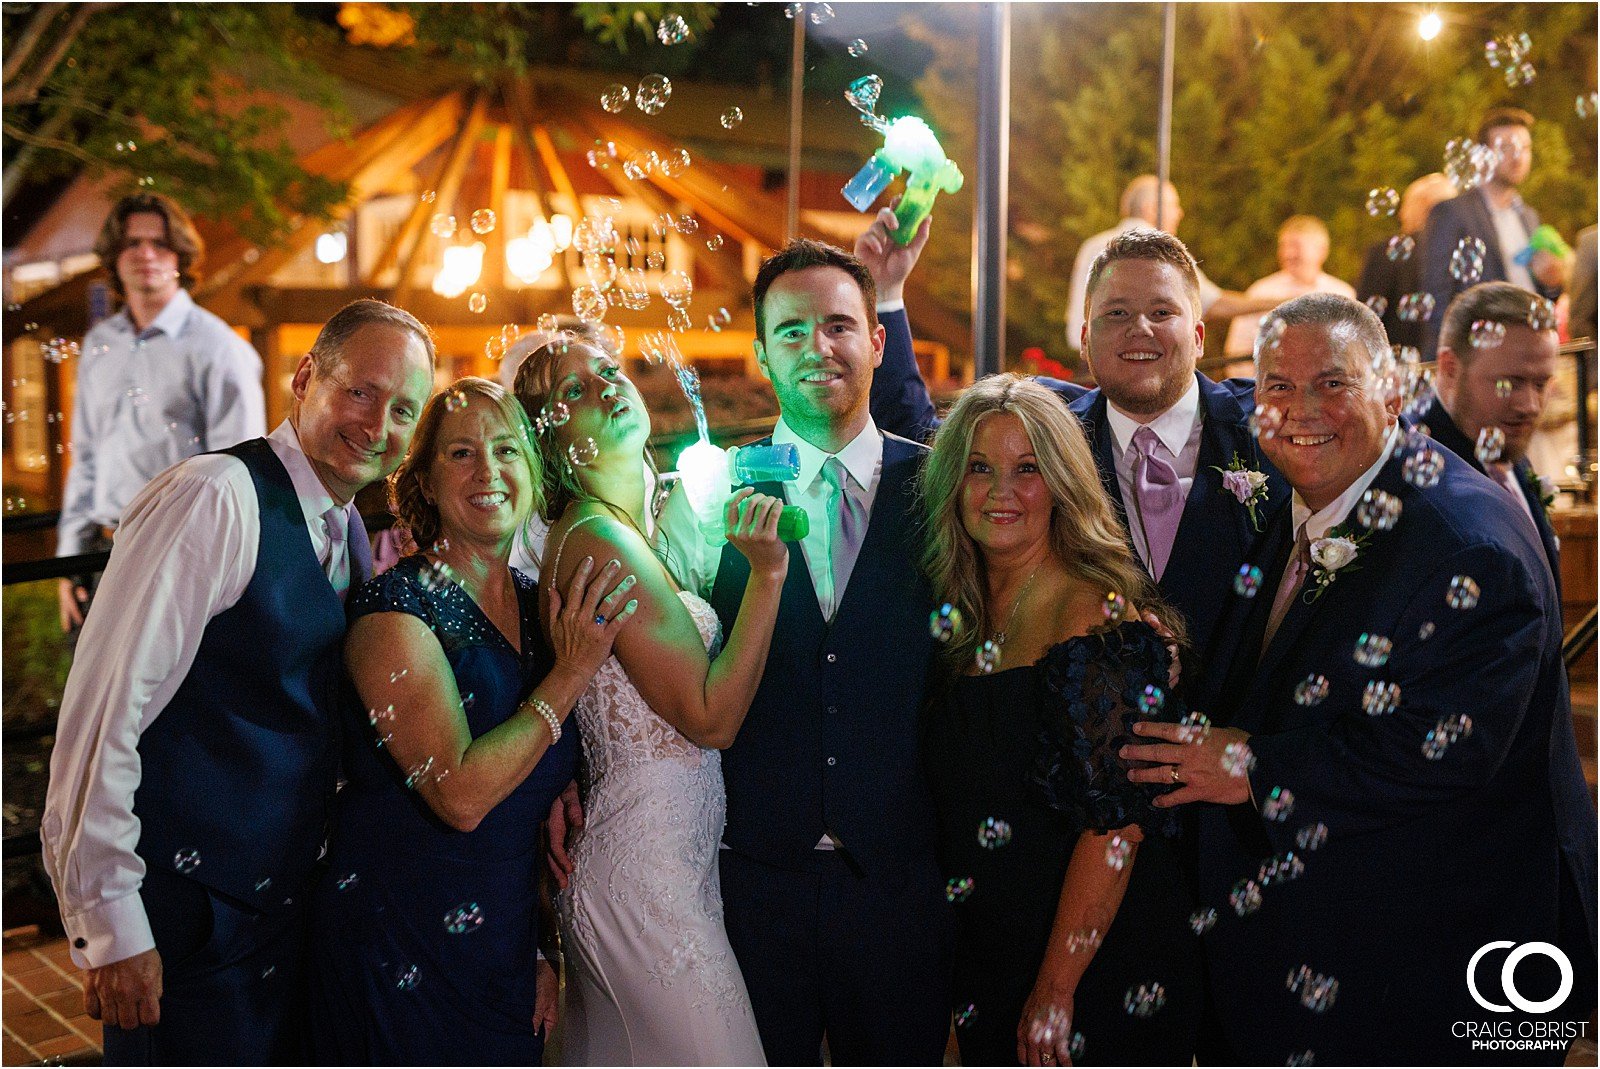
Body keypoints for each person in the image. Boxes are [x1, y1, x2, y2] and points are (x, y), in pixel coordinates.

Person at [1125, 293, 1598, 1063]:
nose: (1302, 408)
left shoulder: (1462, 542)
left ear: (1393, 390)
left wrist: (1247, 766)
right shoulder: (1304, 496)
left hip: (1420, 975)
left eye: (1332, 383)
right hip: (1316, 955)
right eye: (1278, 385)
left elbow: (1440, 750)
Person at [41, 300, 433, 1063]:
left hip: (277, 915)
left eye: (404, 410)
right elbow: (104, 710)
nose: (378, 424)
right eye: (360, 391)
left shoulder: (348, 529)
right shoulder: (216, 495)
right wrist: (111, 923)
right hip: (185, 919)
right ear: (305, 376)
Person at [653, 239, 954, 1065]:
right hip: (748, 884)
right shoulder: (705, 493)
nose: (818, 349)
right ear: (760, 352)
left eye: (838, 326)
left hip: (898, 887)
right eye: (791, 331)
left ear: (877, 340)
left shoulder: (945, 491)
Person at [307, 377, 634, 1064]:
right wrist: (571, 676)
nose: (489, 471)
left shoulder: (540, 606)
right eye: (461, 453)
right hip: (399, 947)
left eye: (508, 449)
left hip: (501, 948)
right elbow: (458, 794)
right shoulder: (393, 611)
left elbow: (535, 801)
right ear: (423, 481)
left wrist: (541, 945)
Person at [515, 338, 787, 1065]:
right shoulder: (603, 539)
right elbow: (711, 717)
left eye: (609, 371)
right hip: (645, 890)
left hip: (666, 872)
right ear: (550, 440)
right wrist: (767, 577)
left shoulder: (618, 532)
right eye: (574, 389)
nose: (606, 385)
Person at [919, 374, 1201, 1066]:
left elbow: (1117, 827)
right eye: (980, 467)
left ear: (1063, 483)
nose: (1001, 491)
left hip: (1091, 967)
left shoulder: (1094, 615)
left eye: (1028, 469)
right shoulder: (954, 616)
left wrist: (1055, 988)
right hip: (988, 950)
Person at [57, 193, 265, 633]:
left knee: (167, 702)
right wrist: (67, 562)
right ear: (114, 257)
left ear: (181, 255)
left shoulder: (220, 349)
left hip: (178, 558)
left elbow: (241, 476)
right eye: (132, 243)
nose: (145, 254)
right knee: (92, 701)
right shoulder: (100, 344)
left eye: (160, 243)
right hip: (101, 555)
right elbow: (86, 457)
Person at [1425, 282, 1563, 583]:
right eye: (1509, 383)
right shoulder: (1415, 472)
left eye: (1541, 385)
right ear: (1449, 367)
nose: (1530, 405)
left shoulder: (1507, 448)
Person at [1063, 176, 1280, 350]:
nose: (1180, 213)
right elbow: (1212, 302)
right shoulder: (1159, 247)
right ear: (1151, 208)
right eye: (1174, 205)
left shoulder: (1092, 244)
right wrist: (1280, 303)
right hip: (1133, 363)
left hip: (1087, 367)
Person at [1419, 107, 1569, 357]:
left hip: (1523, 353)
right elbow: (1438, 297)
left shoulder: (1529, 217)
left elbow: (1540, 298)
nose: (1518, 156)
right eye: (1507, 147)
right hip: (1477, 357)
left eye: (1525, 147)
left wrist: (1552, 285)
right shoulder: (1452, 213)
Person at [1223, 215, 1356, 361]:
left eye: (1296, 246)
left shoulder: (1343, 293)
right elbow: (1235, 354)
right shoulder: (1261, 292)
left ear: (1321, 250)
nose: (1288, 254)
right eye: (1283, 246)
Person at [1356, 173, 1458, 352]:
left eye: (1406, 204)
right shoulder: (1462, 253)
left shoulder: (1384, 252)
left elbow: (1364, 318)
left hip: (1398, 363)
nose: (1401, 214)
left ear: (1425, 205)